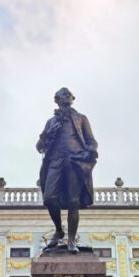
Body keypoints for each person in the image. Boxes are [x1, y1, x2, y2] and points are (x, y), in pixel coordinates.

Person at [36, 88, 97, 253]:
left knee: (73, 202)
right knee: (49, 197)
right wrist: (47, 134)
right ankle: (59, 230)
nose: (67, 97)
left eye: (69, 95)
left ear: (73, 98)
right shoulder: (51, 122)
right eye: (63, 95)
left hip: (74, 162)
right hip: (55, 161)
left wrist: (88, 153)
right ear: (56, 99)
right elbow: (39, 147)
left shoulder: (81, 119)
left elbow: (91, 141)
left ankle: (71, 240)